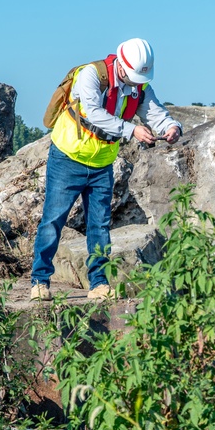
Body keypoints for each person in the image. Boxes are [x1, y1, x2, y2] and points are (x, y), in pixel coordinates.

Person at [30, 38, 182, 301]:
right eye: (133, 77)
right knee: (53, 221)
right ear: (121, 65)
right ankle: (39, 281)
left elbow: (155, 113)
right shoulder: (91, 75)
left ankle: (98, 284)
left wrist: (170, 127)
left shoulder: (140, 85)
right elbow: (93, 112)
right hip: (68, 157)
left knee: (99, 226)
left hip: (101, 164)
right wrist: (132, 129)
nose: (136, 84)